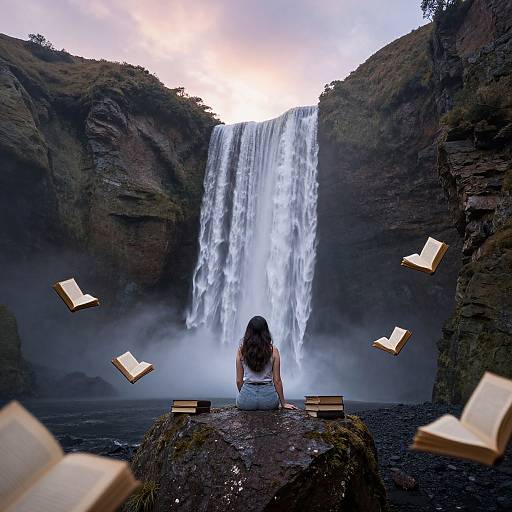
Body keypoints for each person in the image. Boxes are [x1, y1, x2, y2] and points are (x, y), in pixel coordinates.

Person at [236, 315, 297, 410]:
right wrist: (283, 403)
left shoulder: (241, 350)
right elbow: (277, 381)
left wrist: (245, 396)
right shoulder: (274, 350)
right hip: (269, 401)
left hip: (246, 401)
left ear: (249, 331)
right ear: (266, 331)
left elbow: (239, 381)